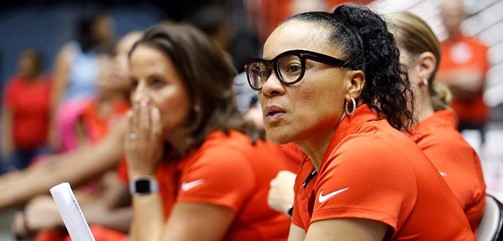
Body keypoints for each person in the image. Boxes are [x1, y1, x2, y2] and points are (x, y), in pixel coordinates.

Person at [245, 4, 475, 240]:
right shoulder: (315, 162)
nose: (269, 87)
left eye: (293, 68)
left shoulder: (365, 153)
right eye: (263, 72)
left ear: (353, 84)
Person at [123, 22, 293, 241]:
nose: (138, 97)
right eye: (134, 84)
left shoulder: (222, 156)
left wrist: (142, 175)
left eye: (157, 83)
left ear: (197, 91)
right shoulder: (166, 147)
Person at [0, 32, 135, 240]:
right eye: (115, 55)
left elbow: (79, 177)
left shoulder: (128, 119)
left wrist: (56, 215)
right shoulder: (86, 111)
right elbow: (63, 168)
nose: (113, 65)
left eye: (128, 56)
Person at [385, 11, 486, 232]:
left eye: (384, 61)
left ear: (423, 67)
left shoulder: (444, 147)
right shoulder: (390, 135)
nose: (368, 76)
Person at [50, 10, 116, 153]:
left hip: (94, 117)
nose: (110, 28)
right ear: (93, 27)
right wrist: (53, 129)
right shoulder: (70, 52)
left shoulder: (104, 53)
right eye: (105, 24)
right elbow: (57, 92)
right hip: (72, 118)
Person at [435, 0, 491, 144]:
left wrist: (444, 82)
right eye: (446, 15)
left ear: (463, 16)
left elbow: (475, 83)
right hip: (446, 123)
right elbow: (431, 83)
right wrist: (459, 78)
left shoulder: (478, 46)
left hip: (474, 123)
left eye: (453, 15)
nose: (449, 20)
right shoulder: (436, 49)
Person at [0, 48, 52, 171]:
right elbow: (7, 115)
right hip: (19, 145)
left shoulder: (47, 85)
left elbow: (52, 111)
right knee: (16, 174)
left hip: (41, 143)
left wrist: (53, 133)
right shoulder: (14, 86)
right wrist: (5, 139)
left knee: (39, 174)